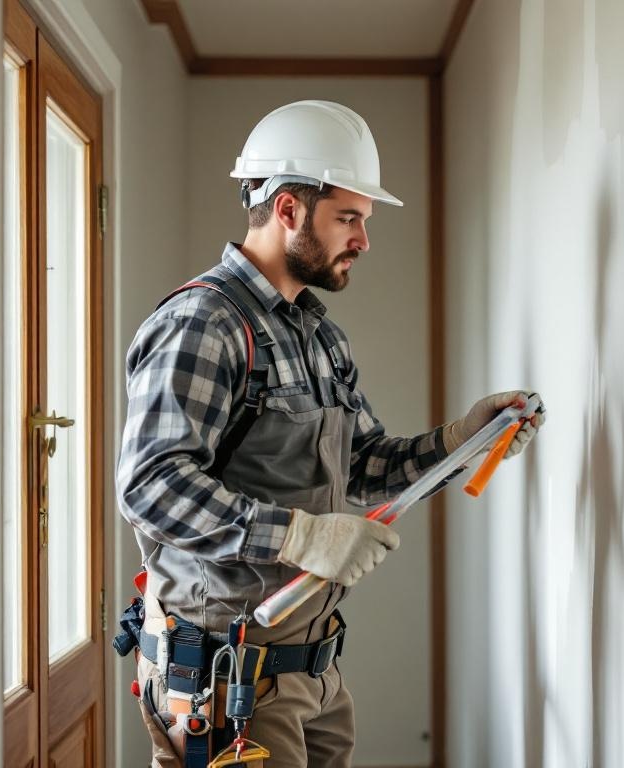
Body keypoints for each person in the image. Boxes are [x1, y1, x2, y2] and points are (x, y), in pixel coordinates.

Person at [116, 100, 546, 768]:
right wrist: (302, 537)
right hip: (225, 678)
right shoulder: (205, 323)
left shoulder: (319, 337)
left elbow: (366, 465)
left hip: (311, 671)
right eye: (348, 218)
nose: (364, 240)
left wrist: (464, 440)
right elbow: (150, 488)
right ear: (288, 209)